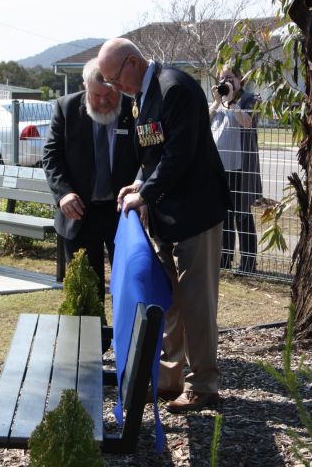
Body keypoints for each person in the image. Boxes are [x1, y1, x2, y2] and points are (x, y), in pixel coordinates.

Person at [97, 38, 232, 413]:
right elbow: (155, 153)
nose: (114, 88)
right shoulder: (145, 93)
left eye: (113, 78)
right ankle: (171, 379)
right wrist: (142, 184)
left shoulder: (175, 88)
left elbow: (180, 154)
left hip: (196, 213)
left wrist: (146, 192)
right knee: (171, 300)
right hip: (167, 214)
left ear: (131, 63)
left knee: (196, 302)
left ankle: (203, 384)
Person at [42, 58, 139, 302]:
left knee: (128, 283)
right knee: (85, 290)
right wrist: (63, 193)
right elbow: (51, 156)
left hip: (122, 211)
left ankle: (124, 338)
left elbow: (149, 156)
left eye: (110, 95)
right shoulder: (66, 108)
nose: (105, 102)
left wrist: (140, 188)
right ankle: (89, 339)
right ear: (86, 87)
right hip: (80, 212)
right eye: (97, 96)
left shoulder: (134, 109)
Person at [210, 64, 262, 274]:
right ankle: (224, 259)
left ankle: (248, 263)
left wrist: (231, 102)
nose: (226, 83)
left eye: (230, 78)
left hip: (241, 167)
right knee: (223, 215)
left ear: (241, 79)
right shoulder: (219, 101)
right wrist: (216, 103)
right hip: (219, 168)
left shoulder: (251, 98)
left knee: (242, 214)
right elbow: (203, 122)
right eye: (222, 79)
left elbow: (248, 122)